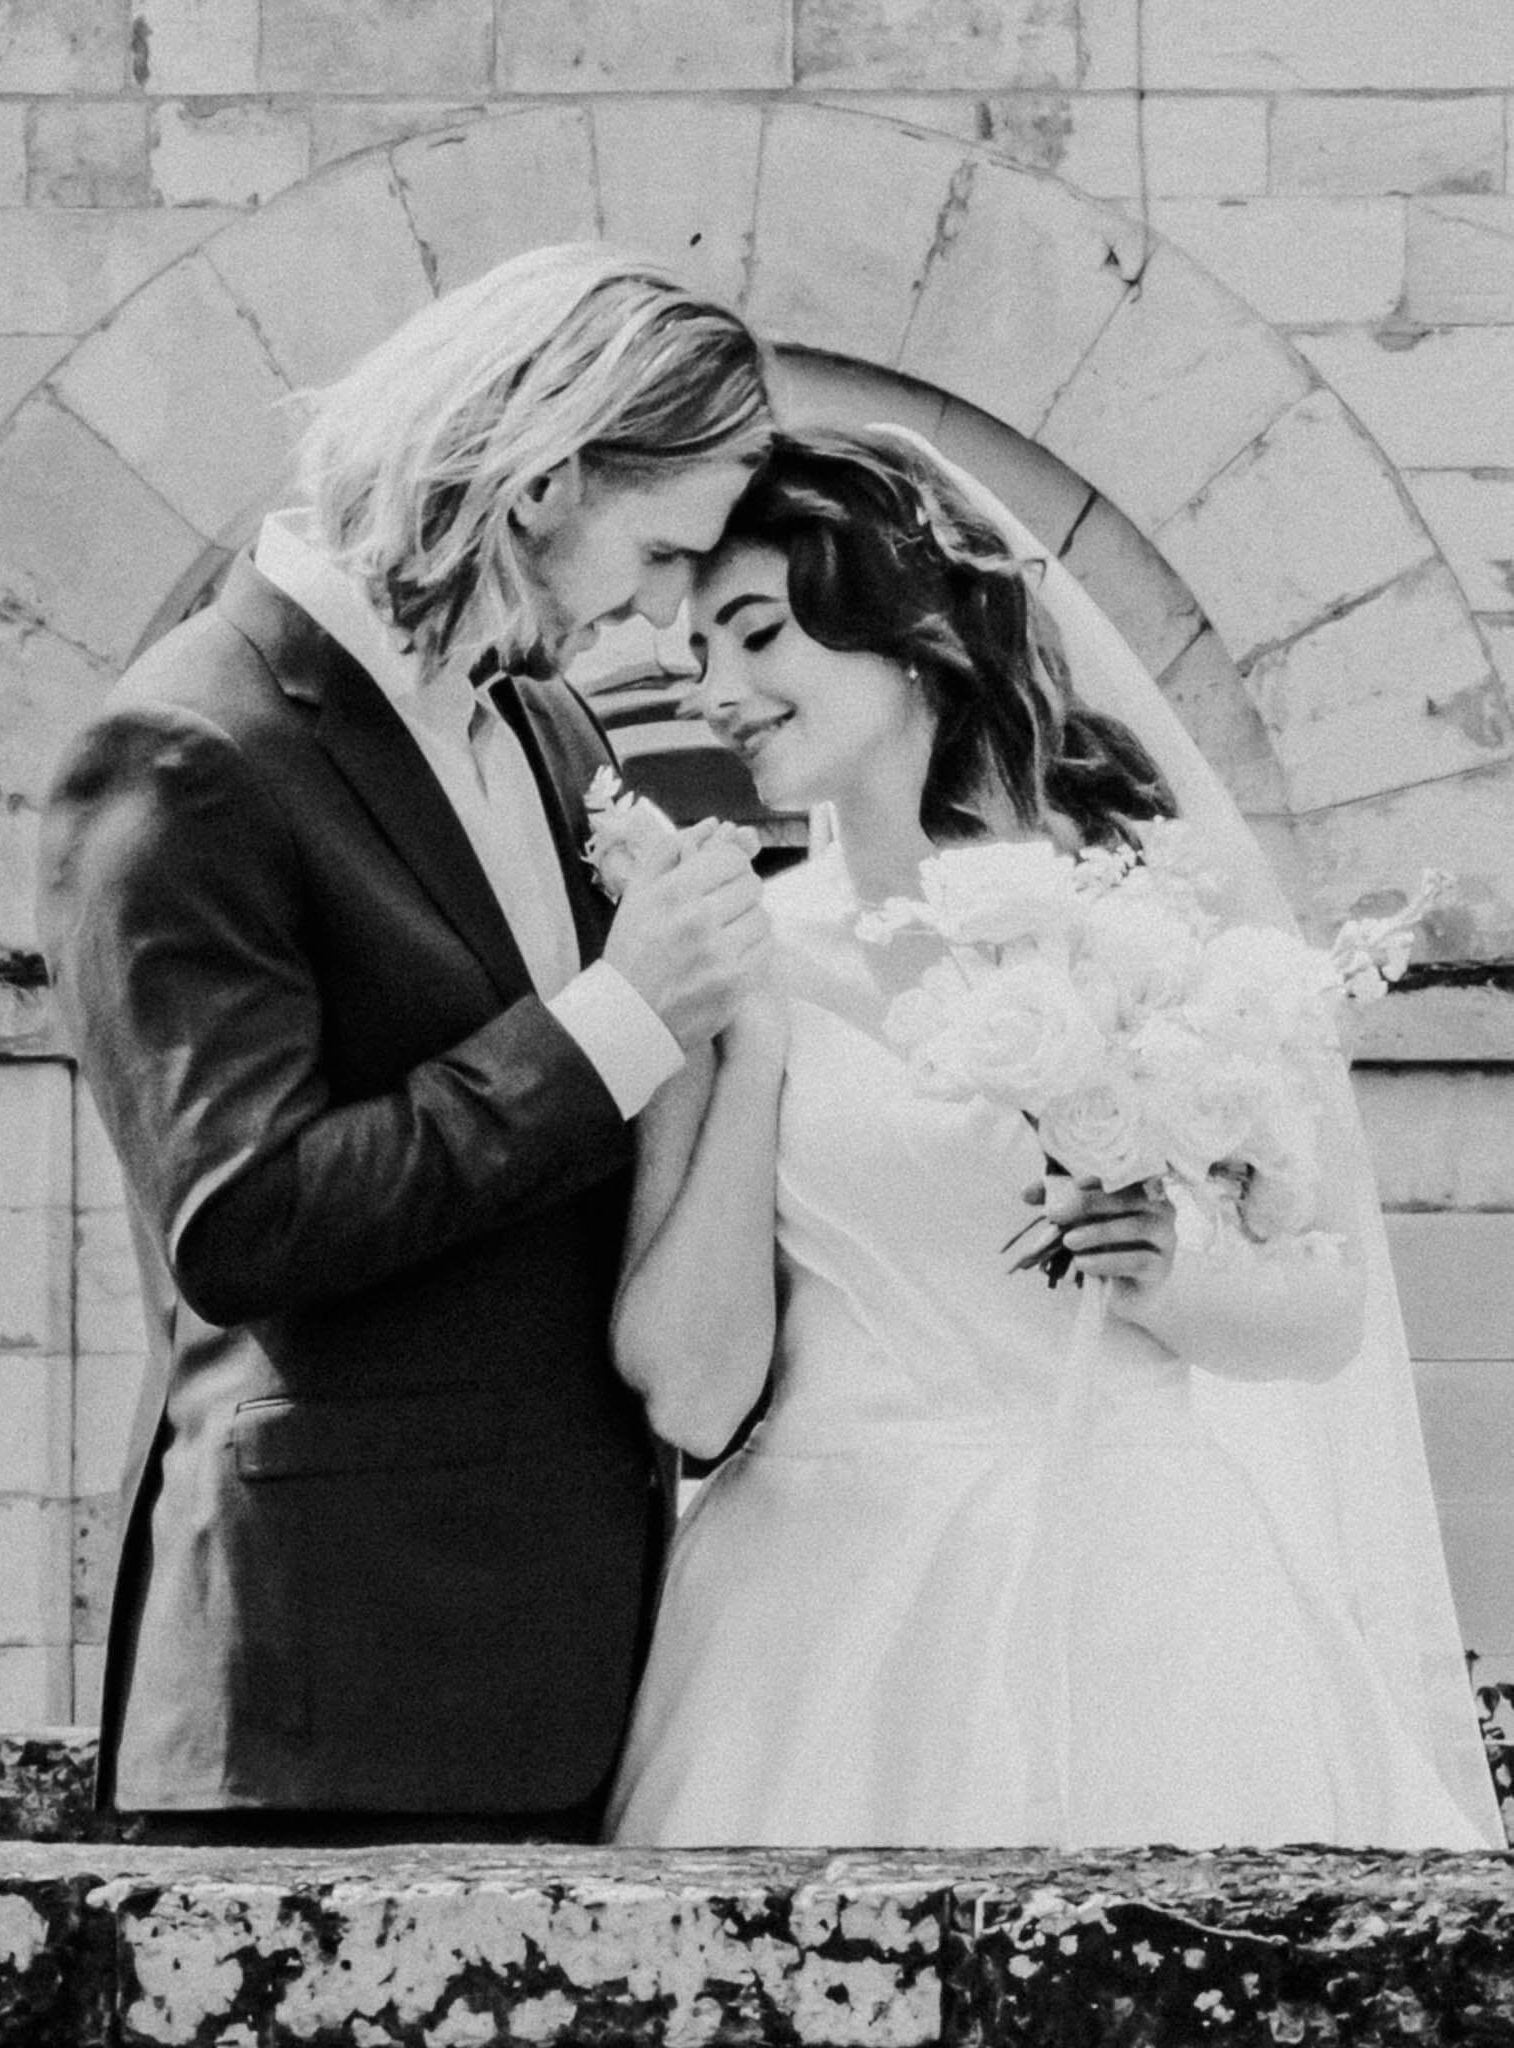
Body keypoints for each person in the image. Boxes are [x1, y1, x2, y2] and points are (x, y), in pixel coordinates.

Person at [604, 425, 1503, 1850]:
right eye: (693, 655)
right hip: (819, 1620)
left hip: (1149, 1601)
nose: (717, 692)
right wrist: (755, 1049)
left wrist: (1168, 1277)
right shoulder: (729, 954)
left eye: (756, 633)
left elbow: (1322, 1310)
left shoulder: (1142, 922)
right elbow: (689, 1395)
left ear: (902, 632)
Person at [36, 244, 776, 1844]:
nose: (661, 619)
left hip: (593, 1669)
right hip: (333, 1700)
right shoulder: (185, 752)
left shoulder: (541, 722)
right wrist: (617, 1021)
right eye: (659, 553)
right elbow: (242, 1221)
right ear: (540, 484)